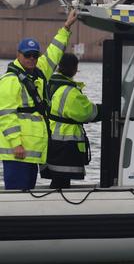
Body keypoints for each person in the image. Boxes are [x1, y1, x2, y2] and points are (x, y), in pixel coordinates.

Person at [0, 10, 77, 190]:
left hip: (31, 152)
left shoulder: (39, 71)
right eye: (28, 55)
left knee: (27, 194)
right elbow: (6, 116)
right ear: (18, 55)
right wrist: (16, 143)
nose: (32, 59)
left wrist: (66, 27)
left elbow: (54, 52)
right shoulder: (10, 81)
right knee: (18, 196)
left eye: (35, 55)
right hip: (17, 152)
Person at [41, 53, 100, 189]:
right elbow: (86, 113)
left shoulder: (48, 84)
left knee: (56, 180)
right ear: (74, 69)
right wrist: (106, 109)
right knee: (61, 182)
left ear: (59, 67)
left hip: (49, 140)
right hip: (65, 144)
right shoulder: (69, 91)